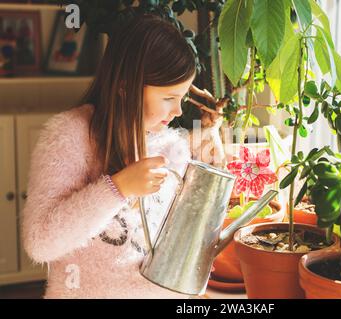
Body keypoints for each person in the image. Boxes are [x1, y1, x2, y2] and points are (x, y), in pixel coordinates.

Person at [22, 14, 206, 299]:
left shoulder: (173, 148)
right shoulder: (70, 136)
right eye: (169, 98)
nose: (179, 112)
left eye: (181, 98)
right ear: (125, 86)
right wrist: (117, 188)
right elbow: (40, 243)